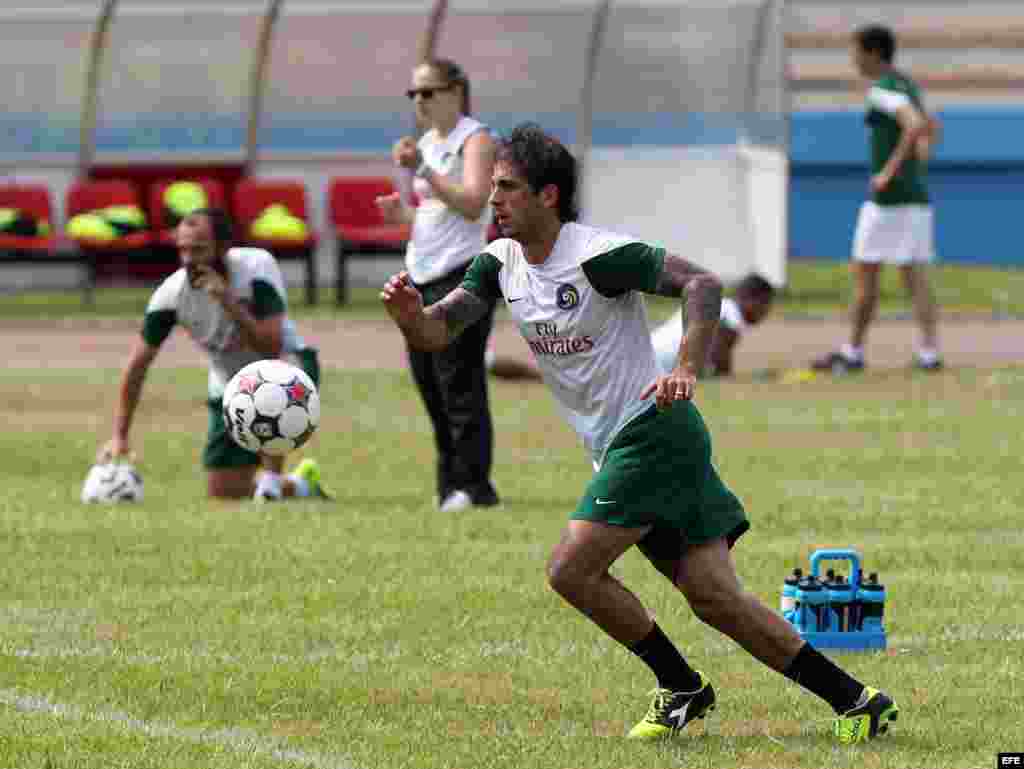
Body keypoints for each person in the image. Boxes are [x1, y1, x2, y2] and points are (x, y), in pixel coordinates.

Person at [382, 123, 898, 744]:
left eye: (507, 187)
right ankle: (856, 701)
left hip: (651, 432)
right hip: (634, 443)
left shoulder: (597, 254)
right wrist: (411, 319)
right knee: (715, 598)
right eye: (492, 187)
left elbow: (703, 284)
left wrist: (686, 366)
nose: (494, 200)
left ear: (548, 195)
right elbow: (439, 330)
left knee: (570, 571)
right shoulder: (498, 263)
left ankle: (681, 686)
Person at [98, 208, 329, 502]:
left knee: (270, 389)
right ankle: (300, 486)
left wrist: (227, 300)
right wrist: (120, 435)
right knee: (226, 493)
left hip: (289, 368)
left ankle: (271, 481)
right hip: (229, 382)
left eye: (199, 250)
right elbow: (138, 365)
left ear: (223, 247)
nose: (188, 259)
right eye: (182, 249)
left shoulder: (257, 267)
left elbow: (270, 346)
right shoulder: (172, 294)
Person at [376, 0, 500, 513]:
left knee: (460, 382)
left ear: (456, 93)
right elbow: (435, 212)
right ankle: (449, 482)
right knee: (428, 381)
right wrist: (401, 216)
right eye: (413, 93)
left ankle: (473, 486)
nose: (419, 101)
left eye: (428, 92)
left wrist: (424, 169)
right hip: (421, 272)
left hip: (461, 276)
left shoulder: (477, 140)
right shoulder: (430, 142)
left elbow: (473, 205)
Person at [813, 24, 942, 374]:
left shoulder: (882, 90)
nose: (852, 58)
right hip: (915, 199)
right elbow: (929, 131)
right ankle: (930, 354)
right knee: (915, 278)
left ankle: (852, 352)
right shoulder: (908, 85)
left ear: (871, 52)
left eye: (855, 51)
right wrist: (915, 164)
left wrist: (886, 171)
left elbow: (915, 125)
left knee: (864, 273)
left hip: (888, 202)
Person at [486, 273, 775, 382]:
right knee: (558, 377)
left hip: (643, 352)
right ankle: (487, 361)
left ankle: (488, 362)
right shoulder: (731, 313)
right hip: (647, 361)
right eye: (765, 306)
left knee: (562, 376)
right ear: (752, 299)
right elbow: (720, 363)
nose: (765, 314)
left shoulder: (720, 305)